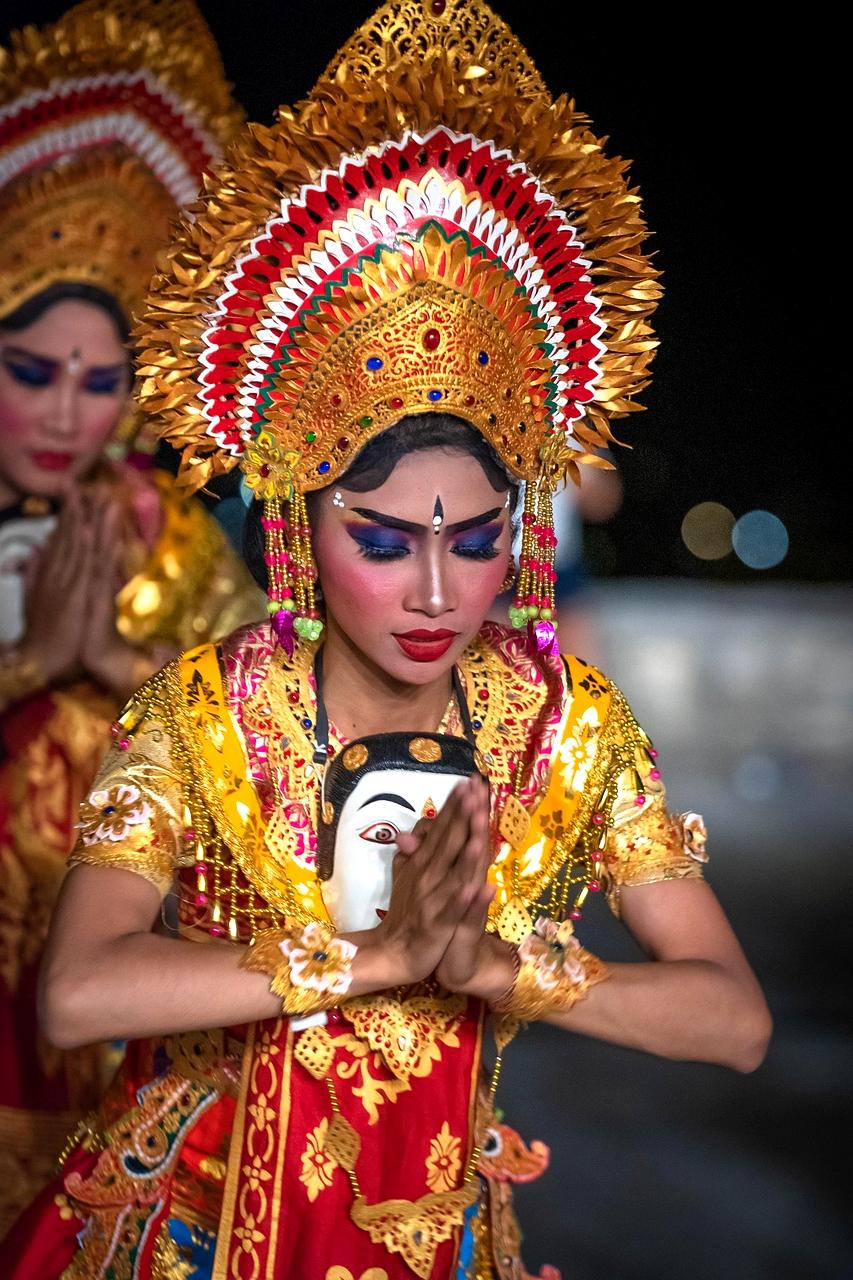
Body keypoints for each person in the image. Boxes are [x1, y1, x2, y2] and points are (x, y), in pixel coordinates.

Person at [3, 2, 772, 1276]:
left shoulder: (564, 724)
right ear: (300, 527)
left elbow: (734, 1019)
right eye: (382, 540)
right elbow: (81, 990)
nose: (433, 591)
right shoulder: (212, 706)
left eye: (475, 541)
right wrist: (372, 958)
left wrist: (500, 967)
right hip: (197, 1239)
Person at [0, 0, 262, 1234]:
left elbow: (273, 727)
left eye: (101, 381)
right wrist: (29, 664)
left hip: (115, 1022)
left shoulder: (168, 534)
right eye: (31, 371)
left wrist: (110, 658)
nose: (68, 411)